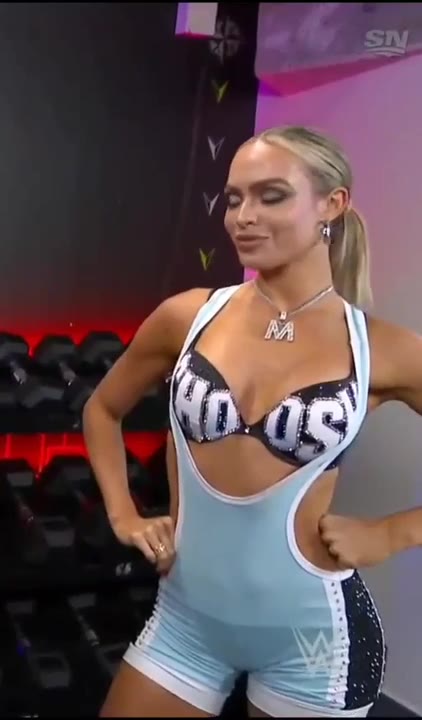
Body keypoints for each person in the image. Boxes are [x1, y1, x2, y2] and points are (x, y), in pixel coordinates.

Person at [82, 125, 422, 718]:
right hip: (185, 622)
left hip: (312, 644)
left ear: (332, 204)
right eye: (234, 198)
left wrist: (392, 533)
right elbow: (102, 409)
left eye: (271, 196)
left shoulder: (382, 349)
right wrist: (123, 514)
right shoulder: (187, 316)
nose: (243, 217)